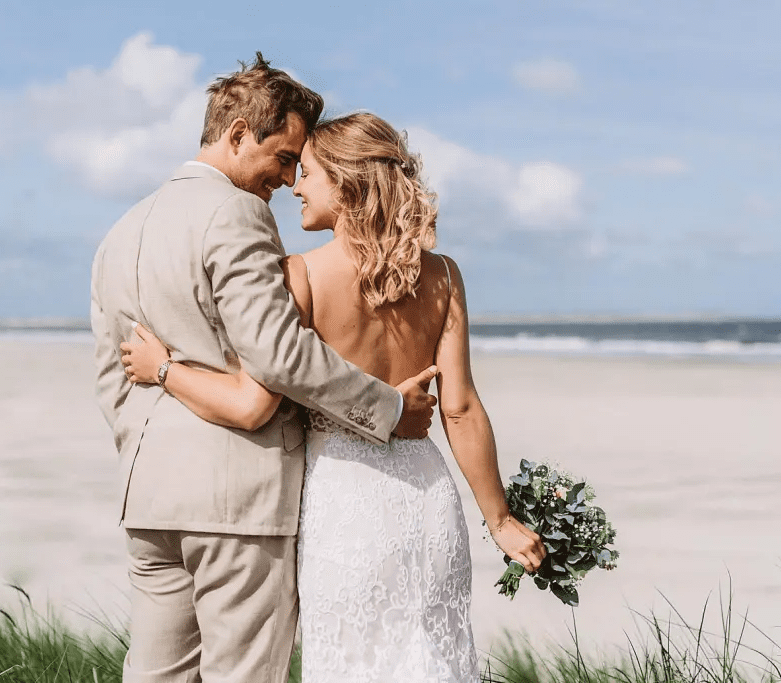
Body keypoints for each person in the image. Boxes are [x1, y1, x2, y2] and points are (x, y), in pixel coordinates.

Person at [121, 112, 547, 682]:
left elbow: (253, 401)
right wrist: (500, 519)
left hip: (345, 507)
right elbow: (460, 407)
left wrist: (164, 368)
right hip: (429, 501)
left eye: (308, 173)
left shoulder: (300, 275)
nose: (295, 187)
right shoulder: (443, 275)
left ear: (344, 185)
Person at [90, 55, 439, 683]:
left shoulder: (121, 230)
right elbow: (279, 355)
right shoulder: (235, 213)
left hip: (148, 498)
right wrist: (388, 407)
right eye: (282, 158)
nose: (286, 178)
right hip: (238, 502)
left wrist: (145, 442)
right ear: (237, 134)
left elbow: (110, 378)